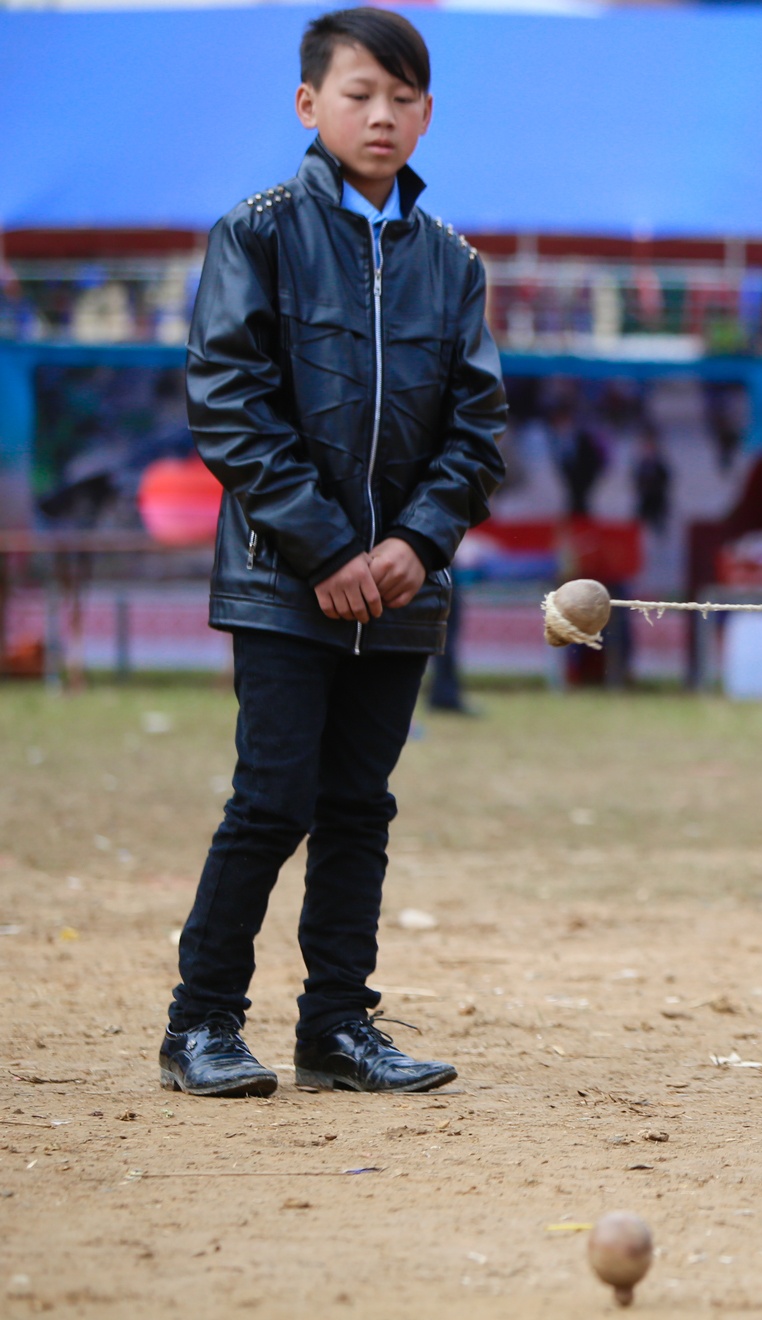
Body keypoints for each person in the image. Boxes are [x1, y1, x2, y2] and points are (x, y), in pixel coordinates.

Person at [160, 9, 505, 1098]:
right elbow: (227, 405)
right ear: (310, 105)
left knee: (361, 805)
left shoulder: (452, 264)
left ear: (428, 113)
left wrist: (418, 541)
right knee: (272, 799)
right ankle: (200, 1025)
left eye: (403, 98)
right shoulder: (255, 233)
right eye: (360, 93)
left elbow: (477, 426)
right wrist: (322, 546)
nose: (382, 115)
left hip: (401, 590)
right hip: (281, 579)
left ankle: (337, 1029)